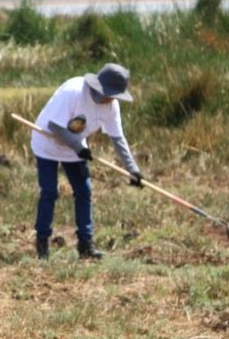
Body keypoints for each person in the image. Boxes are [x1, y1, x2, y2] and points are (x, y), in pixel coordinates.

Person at [29, 63, 143, 260]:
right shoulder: (74, 92)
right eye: (110, 94)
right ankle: (42, 242)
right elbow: (55, 126)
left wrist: (132, 169)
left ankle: (85, 244)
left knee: (84, 191)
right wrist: (79, 147)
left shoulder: (111, 106)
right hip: (47, 143)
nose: (112, 99)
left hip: (75, 148)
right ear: (100, 88)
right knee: (49, 192)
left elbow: (118, 138)